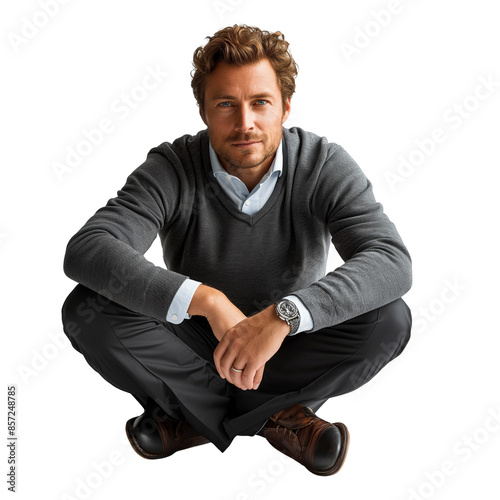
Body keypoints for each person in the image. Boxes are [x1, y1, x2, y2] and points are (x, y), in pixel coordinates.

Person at [61, 24, 412, 477]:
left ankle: (192, 419)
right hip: (192, 344)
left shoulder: (322, 163)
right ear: (204, 111)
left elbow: (390, 259)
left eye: (260, 102)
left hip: (287, 343)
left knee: (390, 318)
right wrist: (207, 301)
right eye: (226, 104)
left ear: (285, 106)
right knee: (87, 307)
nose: (245, 122)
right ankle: (279, 417)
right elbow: (88, 250)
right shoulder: (172, 168)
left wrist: (283, 315)